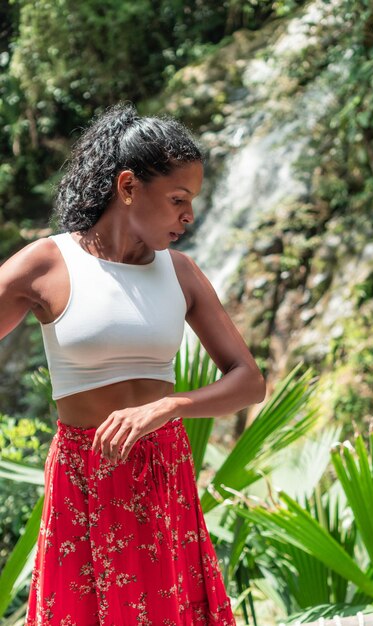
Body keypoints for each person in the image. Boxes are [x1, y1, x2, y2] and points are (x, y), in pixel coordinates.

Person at [0, 102, 266, 625]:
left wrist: (168, 407)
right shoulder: (48, 263)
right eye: (177, 200)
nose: (188, 216)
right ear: (127, 186)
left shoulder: (182, 273)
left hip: (164, 472)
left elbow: (249, 382)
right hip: (85, 476)